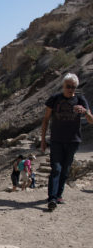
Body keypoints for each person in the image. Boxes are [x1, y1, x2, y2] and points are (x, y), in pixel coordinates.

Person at [41, 73, 93, 211]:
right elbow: (46, 119)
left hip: (73, 140)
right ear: (63, 86)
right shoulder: (54, 99)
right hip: (56, 140)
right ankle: (52, 198)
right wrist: (43, 140)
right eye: (68, 86)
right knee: (56, 169)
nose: (70, 89)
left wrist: (85, 112)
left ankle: (58, 195)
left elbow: (91, 120)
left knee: (65, 170)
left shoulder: (80, 99)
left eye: (73, 87)